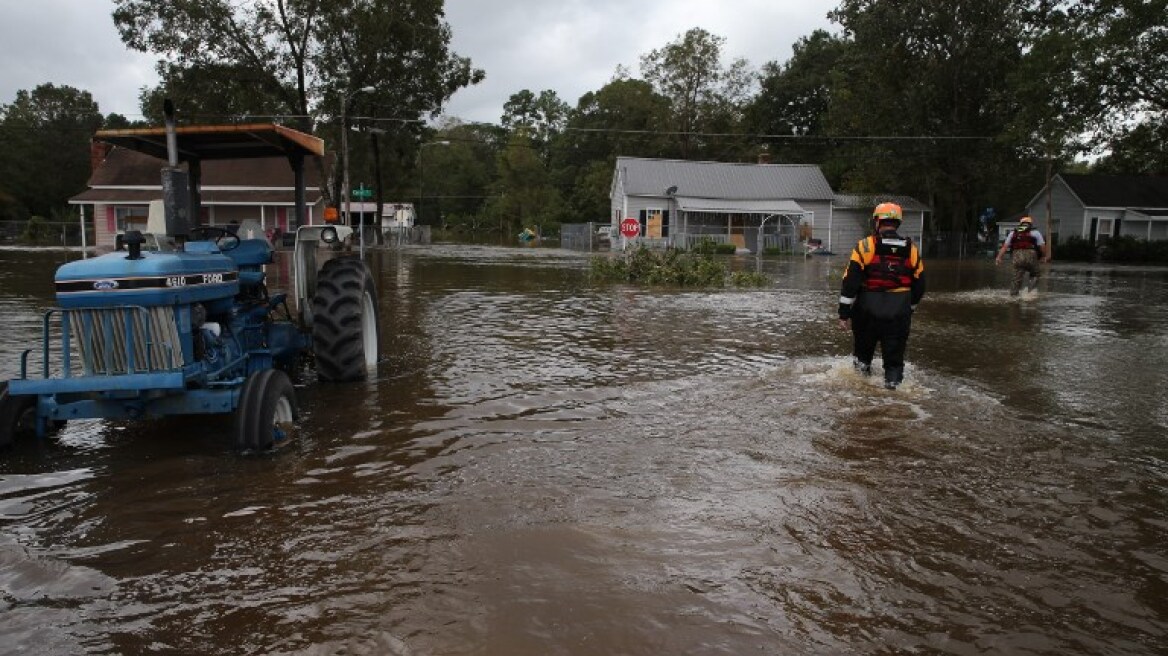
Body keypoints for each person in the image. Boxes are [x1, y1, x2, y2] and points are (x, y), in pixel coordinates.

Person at [837, 202, 926, 390]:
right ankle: (893, 394)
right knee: (894, 365)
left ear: (877, 221)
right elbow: (920, 286)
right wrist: (909, 309)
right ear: (897, 223)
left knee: (862, 362)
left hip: (866, 311)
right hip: (898, 313)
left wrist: (844, 314)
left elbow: (850, 282)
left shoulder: (865, 246)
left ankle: (862, 398)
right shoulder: (912, 250)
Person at [995, 215, 1049, 295]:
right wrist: (1044, 256)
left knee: (1016, 279)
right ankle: (1030, 293)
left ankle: (1013, 296)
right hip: (1031, 256)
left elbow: (1004, 247)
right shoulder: (1036, 233)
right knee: (1035, 274)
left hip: (1017, 257)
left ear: (1021, 224)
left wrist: (999, 257)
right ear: (1031, 224)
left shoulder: (1013, 233)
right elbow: (1042, 247)